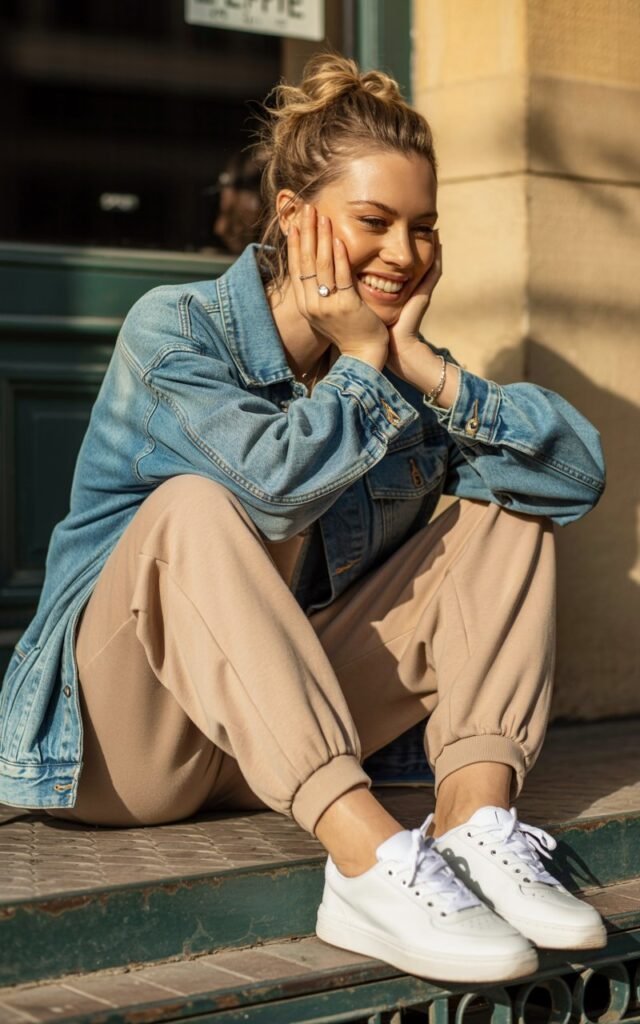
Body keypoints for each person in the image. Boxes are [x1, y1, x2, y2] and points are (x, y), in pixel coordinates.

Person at [0, 54, 607, 983]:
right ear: (293, 216)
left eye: (422, 228)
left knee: (512, 511)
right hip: (133, 753)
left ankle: (475, 827)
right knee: (194, 507)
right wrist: (365, 369)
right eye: (373, 222)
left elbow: (574, 478)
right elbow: (272, 491)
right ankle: (365, 862)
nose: (404, 255)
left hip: (272, 742)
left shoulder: (398, 370)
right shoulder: (177, 329)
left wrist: (430, 374)